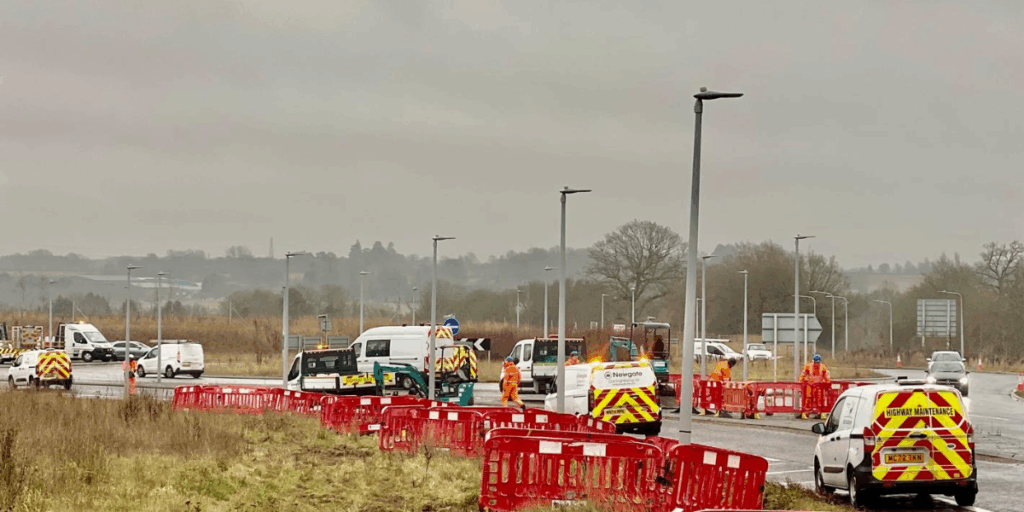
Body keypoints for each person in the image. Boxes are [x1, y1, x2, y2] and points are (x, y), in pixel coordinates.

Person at [799, 354, 831, 419]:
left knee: (820, 400)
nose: (817, 364)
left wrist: (828, 383)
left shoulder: (823, 367)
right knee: (808, 399)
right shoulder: (808, 366)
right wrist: (801, 383)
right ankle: (807, 412)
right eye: (816, 362)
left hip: (819, 386)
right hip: (810, 386)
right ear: (813, 361)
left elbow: (826, 376)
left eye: (818, 362)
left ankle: (819, 412)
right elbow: (803, 374)